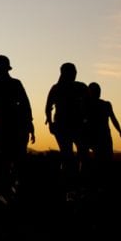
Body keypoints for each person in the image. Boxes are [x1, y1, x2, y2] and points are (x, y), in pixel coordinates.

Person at [0, 55, 35, 200]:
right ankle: (5, 188)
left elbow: (25, 104)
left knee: (9, 158)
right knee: (5, 157)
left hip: (9, 124)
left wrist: (29, 122)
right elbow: (25, 104)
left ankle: (8, 188)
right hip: (6, 124)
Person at [45, 62, 90, 190]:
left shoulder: (61, 88)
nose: (75, 74)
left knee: (73, 155)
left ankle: (73, 182)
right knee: (72, 155)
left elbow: (48, 108)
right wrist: (50, 123)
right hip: (68, 125)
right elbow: (48, 108)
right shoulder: (76, 87)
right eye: (73, 72)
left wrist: (51, 123)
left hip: (72, 125)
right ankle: (72, 183)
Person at [85, 82, 121, 180]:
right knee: (97, 160)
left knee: (107, 159)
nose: (98, 92)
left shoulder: (106, 104)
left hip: (104, 135)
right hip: (93, 136)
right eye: (96, 90)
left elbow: (113, 119)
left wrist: (120, 132)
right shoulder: (86, 104)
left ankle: (103, 180)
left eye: (98, 90)